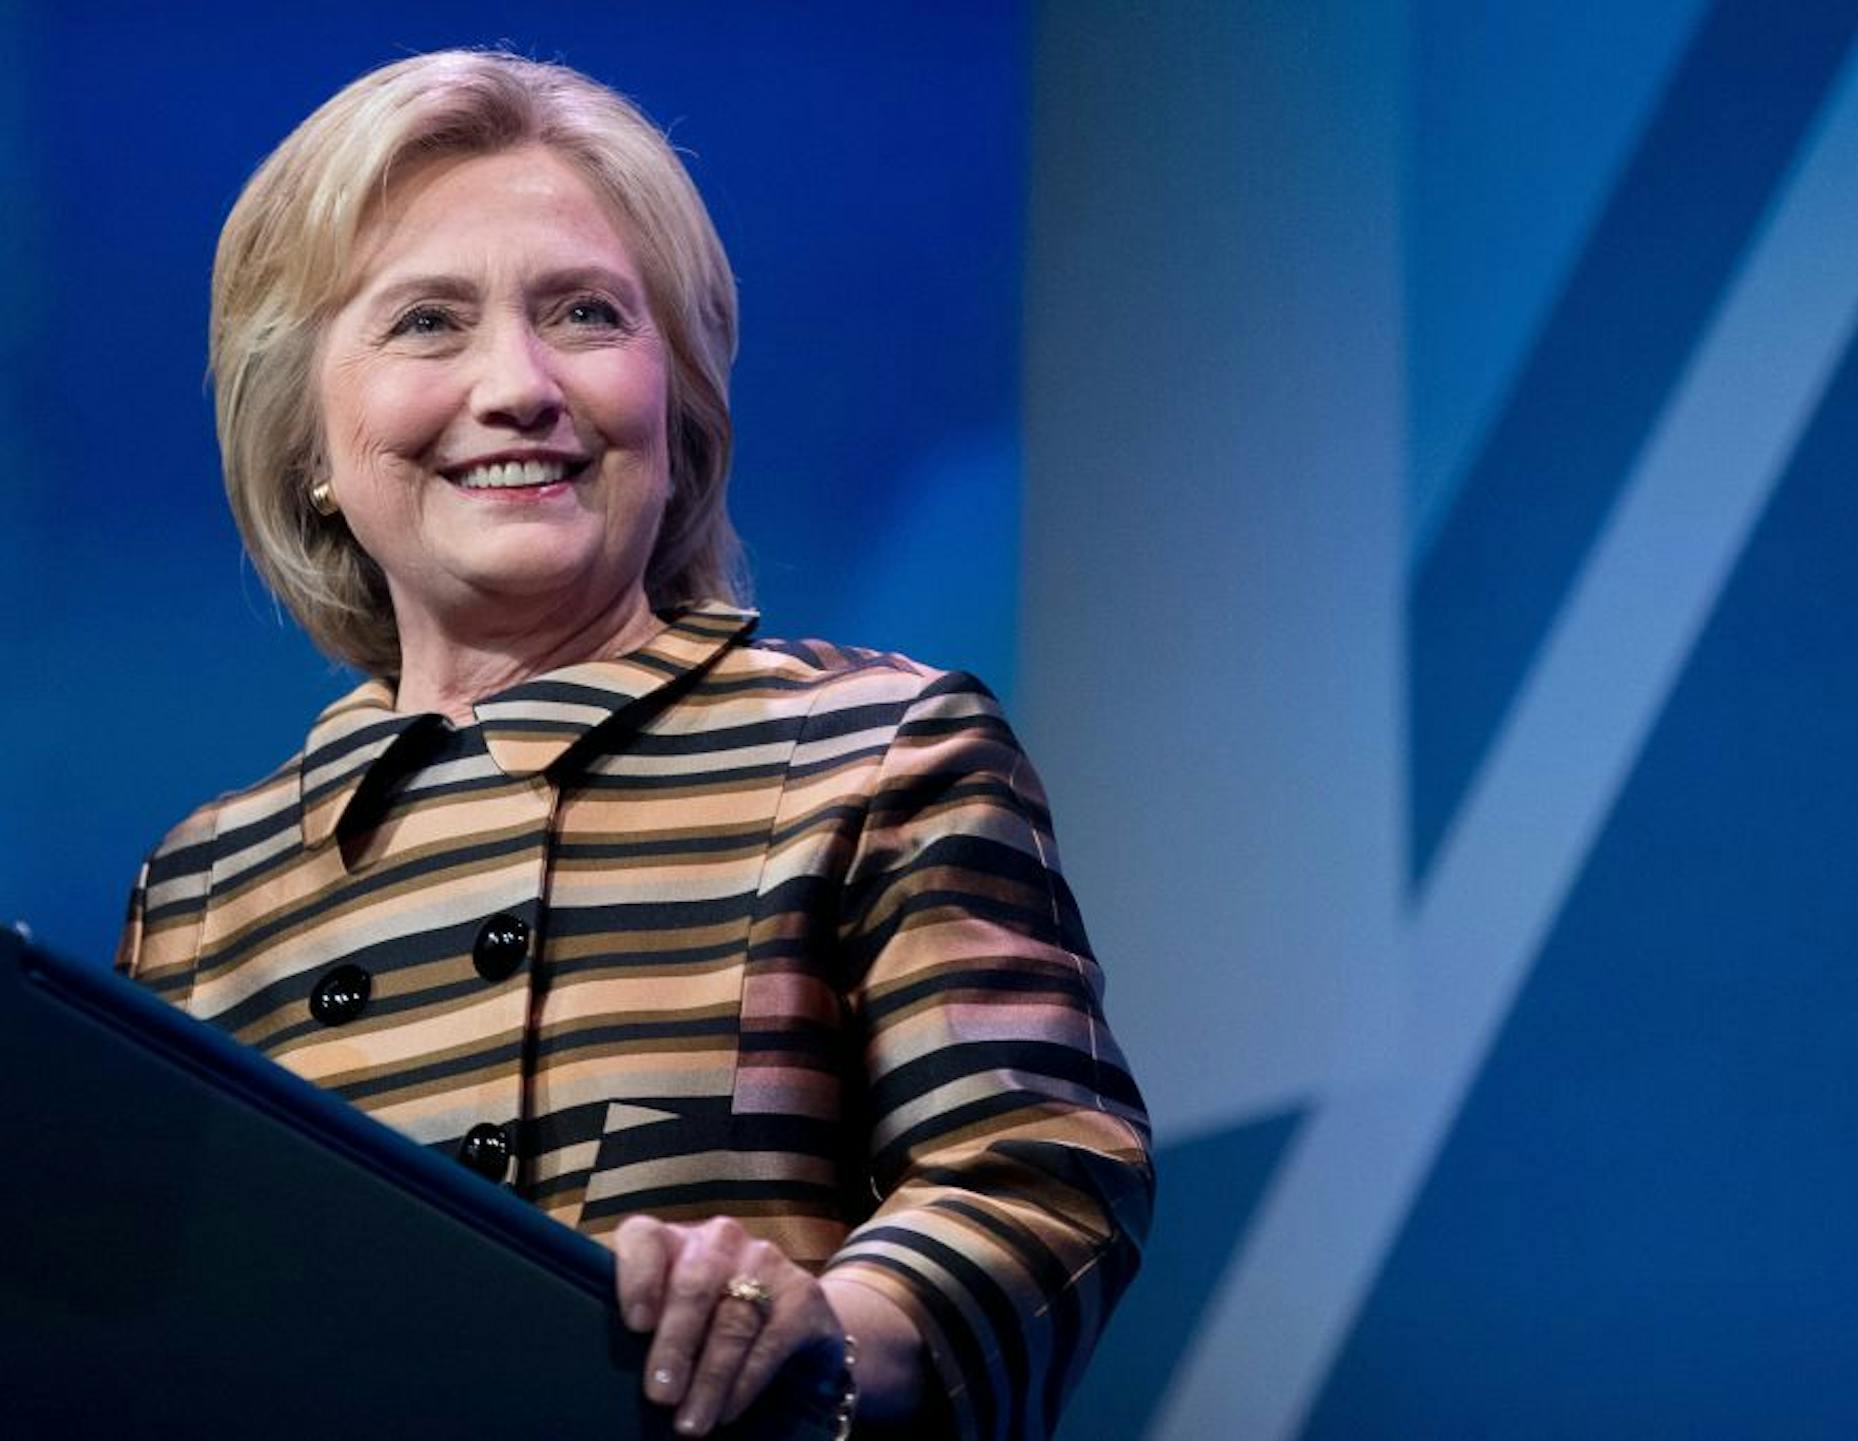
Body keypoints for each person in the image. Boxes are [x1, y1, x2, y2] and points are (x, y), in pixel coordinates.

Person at [113, 49, 1151, 1441]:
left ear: (681, 401)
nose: (520, 385)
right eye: (428, 323)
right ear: (307, 434)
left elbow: (1040, 1177)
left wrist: (827, 1328)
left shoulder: (879, 748)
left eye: (587, 314)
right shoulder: (201, 892)